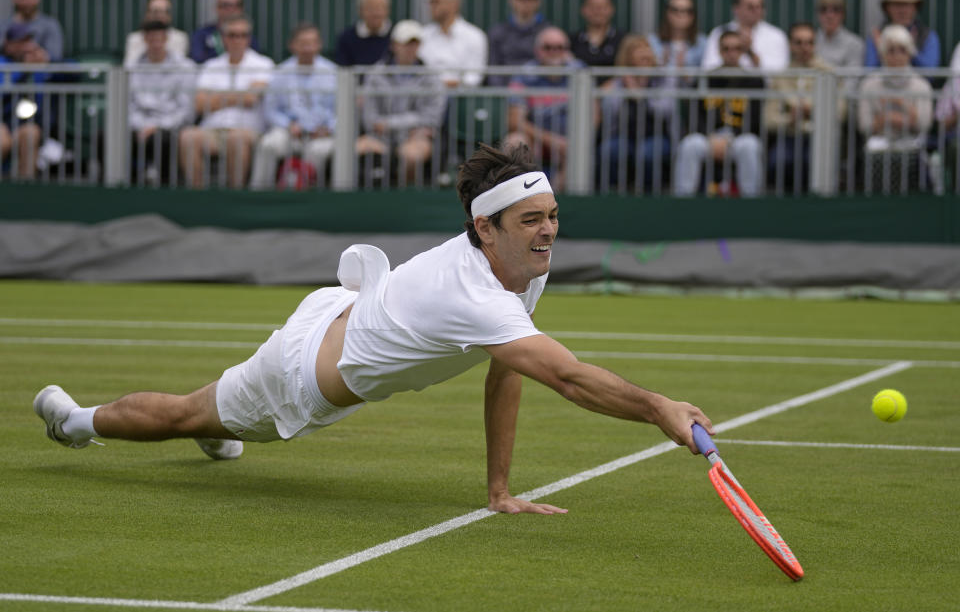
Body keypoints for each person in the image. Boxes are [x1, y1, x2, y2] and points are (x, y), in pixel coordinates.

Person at [32, 141, 716, 516]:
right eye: (532, 219)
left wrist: (498, 489)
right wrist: (657, 404)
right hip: (297, 377)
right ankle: (76, 421)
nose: (549, 231)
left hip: (343, 307)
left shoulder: (521, 268)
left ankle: (219, 423)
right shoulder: (473, 291)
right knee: (188, 412)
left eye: (553, 214)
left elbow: (513, 368)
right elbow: (566, 375)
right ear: (485, 227)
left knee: (213, 408)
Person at [179, 14, 274, 189]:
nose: (237, 40)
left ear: (249, 38)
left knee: (236, 139)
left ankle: (233, 196)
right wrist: (239, 95)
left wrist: (216, 98)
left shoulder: (263, 64)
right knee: (188, 137)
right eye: (232, 35)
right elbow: (200, 104)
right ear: (223, 38)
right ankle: (197, 196)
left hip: (248, 131)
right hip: (213, 129)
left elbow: (251, 98)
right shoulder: (211, 66)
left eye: (243, 35)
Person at [674, 31, 765, 197]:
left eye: (737, 49)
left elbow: (755, 119)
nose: (732, 53)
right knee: (690, 145)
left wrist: (728, 140)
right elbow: (694, 114)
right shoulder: (705, 78)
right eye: (727, 49)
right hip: (708, 138)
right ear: (719, 51)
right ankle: (683, 199)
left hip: (738, 138)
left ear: (742, 51)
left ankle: (752, 201)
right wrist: (710, 137)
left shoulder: (754, 81)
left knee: (750, 145)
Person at [355, 20, 446, 185]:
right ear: (394, 45)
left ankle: (405, 199)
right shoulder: (375, 74)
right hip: (379, 137)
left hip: (415, 137)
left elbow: (432, 118)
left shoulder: (432, 77)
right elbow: (369, 118)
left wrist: (389, 123)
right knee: (356, 149)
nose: (410, 48)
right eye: (405, 43)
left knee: (412, 155)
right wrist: (405, 124)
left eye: (414, 44)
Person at [249, 23, 338, 191]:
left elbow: (343, 110)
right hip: (290, 131)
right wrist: (288, 125)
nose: (308, 48)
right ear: (292, 45)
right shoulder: (281, 72)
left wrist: (329, 128)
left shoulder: (333, 72)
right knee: (269, 144)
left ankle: (311, 199)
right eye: (303, 43)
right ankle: (259, 194)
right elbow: (271, 109)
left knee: (317, 152)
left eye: (312, 43)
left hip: (323, 134)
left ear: (319, 45)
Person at [764, 22, 845, 192]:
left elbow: (840, 112)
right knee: (778, 161)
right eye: (799, 42)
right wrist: (789, 119)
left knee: (816, 161)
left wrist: (814, 111)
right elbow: (769, 119)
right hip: (789, 136)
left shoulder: (829, 74)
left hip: (820, 138)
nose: (804, 47)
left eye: (809, 42)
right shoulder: (781, 76)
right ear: (790, 45)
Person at [503, 27, 584, 191]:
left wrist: (576, 139)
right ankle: (523, 197)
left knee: (580, 148)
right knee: (514, 142)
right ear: (537, 51)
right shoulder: (524, 74)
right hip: (537, 139)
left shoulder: (580, 72)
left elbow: (593, 114)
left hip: (570, 140)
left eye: (560, 47)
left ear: (567, 51)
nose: (554, 52)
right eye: (548, 47)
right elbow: (514, 120)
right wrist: (551, 140)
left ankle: (554, 201)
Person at [595, 35, 675, 193]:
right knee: (611, 150)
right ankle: (612, 192)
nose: (645, 53)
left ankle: (648, 194)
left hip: (657, 134)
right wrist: (625, 89)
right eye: (638, 49)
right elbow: (612, 111)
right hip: (623, 135)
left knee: (648, 153)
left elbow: (666, 108)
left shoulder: (663, 79)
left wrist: (640, 95)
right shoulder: (618, 82)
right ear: (628, 56)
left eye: (647, 48)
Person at [858, 25, 933, 189]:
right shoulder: (869, 84)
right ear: (883, 54)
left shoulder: (921, 85)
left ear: (910, 53)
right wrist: (907, 118)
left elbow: (923, 124)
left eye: (902, 50)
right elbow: (865, 125)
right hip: (878, 147)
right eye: (891, 50)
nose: (897, 56)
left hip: (912, 146)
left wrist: (891, 113)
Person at [127, 20, 196, 186]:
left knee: (162, 140)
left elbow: (185, 110)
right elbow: (129, 106)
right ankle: (125, 187)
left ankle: (165, 188)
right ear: (145, 39)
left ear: (166, 39)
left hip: (169, 127)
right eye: (151, 39)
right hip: (139, 127)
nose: (156, 43)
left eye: (159, 39)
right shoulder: (132, 67)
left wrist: (157, 126)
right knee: (105, 139)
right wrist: (141, 126)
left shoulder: (185, 67)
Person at [0, 23, 55, 180]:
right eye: (21, 42)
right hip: (3, 121)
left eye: (28, 40)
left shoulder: (38, 62)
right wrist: (25, 69)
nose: (26, 46)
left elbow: (74, 72)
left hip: (27, 123)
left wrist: (49, 61)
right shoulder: (3, 63)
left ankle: (25, 187)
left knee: (31, 134)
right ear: (8, 45)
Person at [701, 0, 788, 71]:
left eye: (760, 6)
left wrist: (750, 51)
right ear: (736, 8)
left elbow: (778, 73)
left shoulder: (776, 35)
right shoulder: (719, 33)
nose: (757, 10)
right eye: (751, 7)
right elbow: (709, 68)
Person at [419, 0, 488, 88]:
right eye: (430, 2)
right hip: (426, 98)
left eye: (436, 1)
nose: (431, 6)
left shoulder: (475, 36)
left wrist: (445, 85)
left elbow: (474, 78)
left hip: (461, 99)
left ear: (453, 5)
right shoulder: (423, 35)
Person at [486, 0, 550, 86]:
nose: (526, 2)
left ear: (538, 1)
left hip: (538, 94)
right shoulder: (497, 32)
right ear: (512, 0)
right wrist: (504, 94)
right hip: (505, 92)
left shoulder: (548, 32)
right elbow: (493, 69)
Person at [864, 0, 939, 69]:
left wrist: (911, 50)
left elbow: (931, 73)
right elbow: (869, 70)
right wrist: (881, 50)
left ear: (915, 8)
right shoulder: (876, 35)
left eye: (906, 5)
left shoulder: (927, 35)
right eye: (896, 5)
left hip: (915, 82)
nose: (902, 10)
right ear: (887, 8)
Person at [188, 0, 261, 64]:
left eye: (237, 5)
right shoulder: (201, 35)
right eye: (225, 5)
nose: (231, 9)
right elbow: (198, 63)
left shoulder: (246, 35)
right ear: (217, 7)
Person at [0, 0, 64, 62]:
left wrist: (38, 53)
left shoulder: (50, 25)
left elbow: (56, 55)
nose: (28, 1)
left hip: (43, 72)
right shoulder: (3, 26)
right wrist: (10, 48)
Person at [647, 0, 707, 76]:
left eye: (688, 11)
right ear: (667, 13)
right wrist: (660, 66)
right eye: (675, 10)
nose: (681, 14)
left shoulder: (703, 43)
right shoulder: (651, 41)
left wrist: (684, 71)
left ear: (694, 15)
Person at [123, 0, 189, 68]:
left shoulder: (180, 38)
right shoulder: (134, 38)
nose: (159, 15)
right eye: (155, 11)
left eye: (164, 12)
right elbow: (129, 67)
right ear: (147, 14)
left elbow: (180, 67)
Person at [334, 0, 392, 66]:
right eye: (370, 8)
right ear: (360, 11)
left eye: (380, 8)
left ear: (388, 10)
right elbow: (343, 71)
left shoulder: (397, 35)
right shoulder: (346, 37)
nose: (376, 13)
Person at [567, 0, 626, 68]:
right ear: (583, 10)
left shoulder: (624, 40)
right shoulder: (570, 41)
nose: (598, 11)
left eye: (603, 7)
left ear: (612, 9)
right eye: (592, 7)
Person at [813, 0, 864, 70]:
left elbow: (851, 80)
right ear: (817, 13)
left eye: (836, 10)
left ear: (843, 14)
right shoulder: (808, 41)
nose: (829, 15)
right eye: (823, 9)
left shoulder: (855, 44)